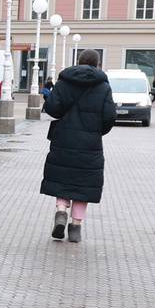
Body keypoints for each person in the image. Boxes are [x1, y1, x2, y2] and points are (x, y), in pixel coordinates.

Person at [40, 49, 115, 245]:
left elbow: (52, 109)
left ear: (78, 61)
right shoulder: (103, 86)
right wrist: (97, 131)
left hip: (64, 138)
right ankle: (76, 227)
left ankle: (61, 211)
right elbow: (109, 117)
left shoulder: (64, 82)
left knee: (63, 177)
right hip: (90, 143)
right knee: (83, 185)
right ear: (97, 64)